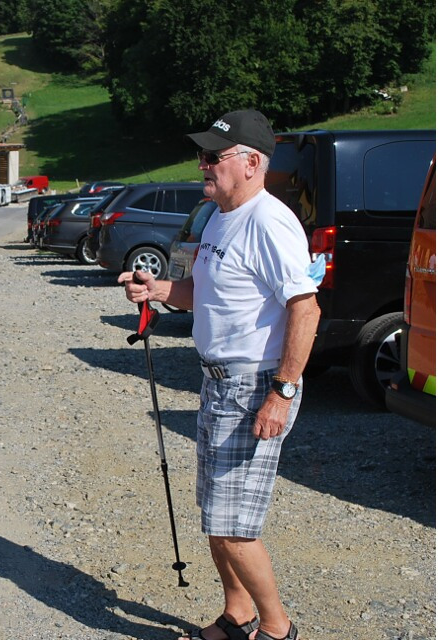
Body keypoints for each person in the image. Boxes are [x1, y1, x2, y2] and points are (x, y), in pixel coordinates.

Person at [119, 109, 320, 640]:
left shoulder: (269, 222)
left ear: (252, 163)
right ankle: (237, 615)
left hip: (254, 385)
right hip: (217, 383)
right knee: (214, 514)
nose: (202, 164)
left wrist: (282, 393)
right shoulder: (218, 217)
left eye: (213, 156)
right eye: (202, 154)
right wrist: (157, 290)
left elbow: (306, 309)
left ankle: (277, 628)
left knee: (234, 528)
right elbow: (202, 294)